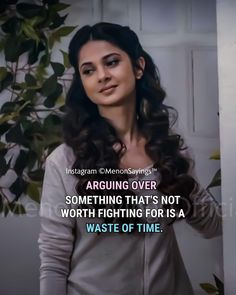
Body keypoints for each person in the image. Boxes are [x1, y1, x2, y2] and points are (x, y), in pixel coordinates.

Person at [38, 22, 222, 295]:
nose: (102, 76)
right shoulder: (64, 161)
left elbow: (212, 226)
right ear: (84, 84)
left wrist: (180, 171)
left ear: (138, 67)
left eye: (111, 62)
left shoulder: (172, 150)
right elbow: (54, 261)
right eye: (88, 70)